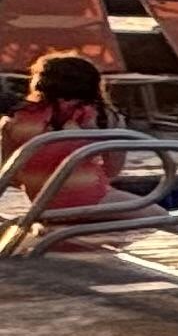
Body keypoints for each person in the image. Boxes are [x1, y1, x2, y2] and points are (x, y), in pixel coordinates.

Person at [4, 51, 121, 230]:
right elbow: (113, 170)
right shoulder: (103, 118)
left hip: (41, 201)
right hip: (90, 197)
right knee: (163, 218)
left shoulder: (15, 119)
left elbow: (9, 174)